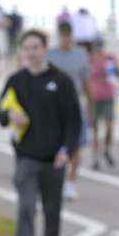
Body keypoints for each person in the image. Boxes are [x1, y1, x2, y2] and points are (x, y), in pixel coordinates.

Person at [0, 29, 82, 236]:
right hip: (26, 158)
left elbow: (74, 122)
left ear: (45, 49)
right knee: (25, 209)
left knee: (52, 213)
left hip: (54, 160)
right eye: (27, 48)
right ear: (22, 52)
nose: (31, 52)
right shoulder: (16, 80)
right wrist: (11, 116)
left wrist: (66, 150)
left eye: (36, 47)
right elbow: (0, 114)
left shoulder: (61, 80)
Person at [47, 21, 92, 200]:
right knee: (53, 146)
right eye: (63, 35)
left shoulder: (81, 55)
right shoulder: (50, 55)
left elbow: (87, 83)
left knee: (76, 146)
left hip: (75, 107)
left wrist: (90, 108)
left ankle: (71, 182)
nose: (66, 39)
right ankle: (54, 180)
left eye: (69, 35)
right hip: (53, 108)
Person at [88, 37, 119, 171]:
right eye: (96, 46)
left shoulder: (110, 58)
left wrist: (117, 70)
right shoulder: (89, 59)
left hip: (108, 94)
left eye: (100, 46)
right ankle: (95, 157)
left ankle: (107, 149)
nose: (98, 48)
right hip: (94, 96)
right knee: (95, 128)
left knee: (109, 125)